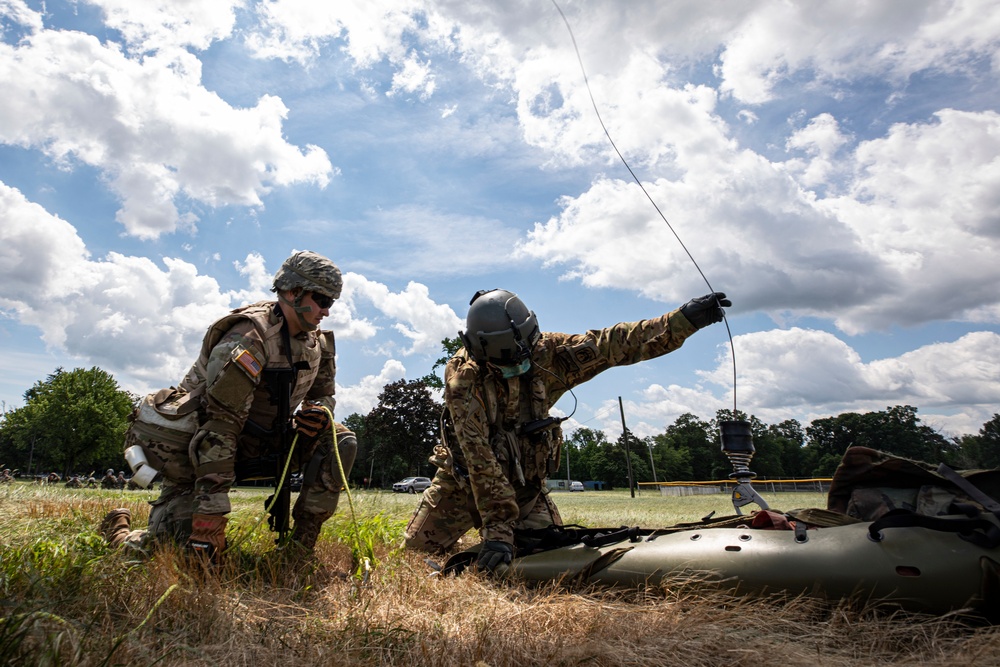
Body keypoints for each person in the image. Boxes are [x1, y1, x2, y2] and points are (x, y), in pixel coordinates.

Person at [403, 288, 731, 572]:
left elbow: (614, 344)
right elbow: (480, 460)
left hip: (524, 486)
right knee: (416, 552)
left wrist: (684, 320)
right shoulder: (464, 382)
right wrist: (499, 532)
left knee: (552, 555)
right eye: (505, 364)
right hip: (462, 484)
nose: (517, 369)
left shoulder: (552, 354)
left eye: (522, 359)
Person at [101, 250, 358, 559]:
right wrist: (209, 521)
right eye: (323, 300)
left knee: (339, 438)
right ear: (293, 292)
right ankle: (119, 533)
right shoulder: (247, 338)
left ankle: (300, 549)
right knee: (182, 556)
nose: (327, 312)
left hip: (264, 441)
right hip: (200, 452)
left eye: (332, 302)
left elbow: (324, 394)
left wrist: (318, 412)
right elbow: (218, 429)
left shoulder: (318, 343)